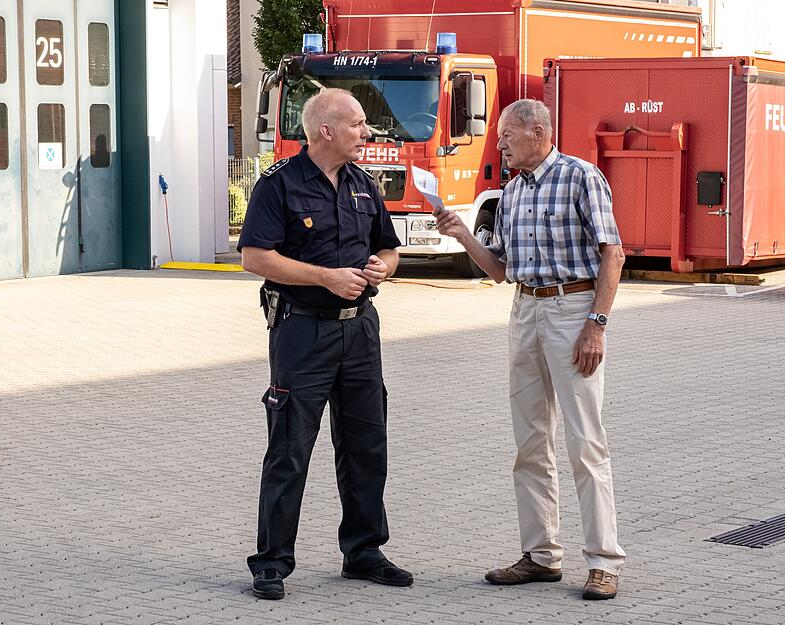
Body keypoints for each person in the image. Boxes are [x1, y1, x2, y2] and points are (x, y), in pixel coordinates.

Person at [434, 99, 627, 600]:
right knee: (530, 442)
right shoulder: (511, 192)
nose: (498, 144)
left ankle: (604, 562)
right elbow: (501, 270)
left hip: (573, 309)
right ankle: (541, 555)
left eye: (506, 135)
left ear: (538, 132)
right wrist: (461, 235)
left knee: (585, 441)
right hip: (525, 310)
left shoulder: (581, 177)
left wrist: (596, 325)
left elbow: (613, 253)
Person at [238, 88, 413, 600]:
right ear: (326, 131)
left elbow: (389, 247)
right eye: (357, 123)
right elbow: (254, 257)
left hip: (360, 331)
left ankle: (363, 551)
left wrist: (383, 267)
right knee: (289, 448)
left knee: (366, 445)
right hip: (303, 331)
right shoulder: (279, 184)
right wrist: (325, 278)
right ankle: (271, 562)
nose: (367, 131)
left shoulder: (362, 182)